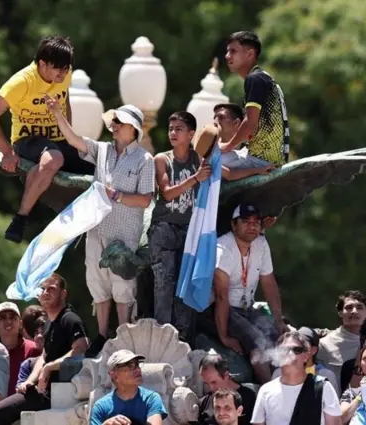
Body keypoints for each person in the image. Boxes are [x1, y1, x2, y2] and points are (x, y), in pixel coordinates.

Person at [45, 95, 155, 340]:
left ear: (132, 128)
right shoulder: (103, 149)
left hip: (125, 235)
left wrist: (115, 195)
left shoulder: (144, 160)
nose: (113, 124)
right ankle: (103, 336)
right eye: (113, 120)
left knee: (122, 286)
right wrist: (57, 114)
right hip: (96, 229)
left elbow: (146, 199)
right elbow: (73, 140)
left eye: (118, 121)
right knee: (96, 281)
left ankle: (123, 337)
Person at [0, 36, 94, 243]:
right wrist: (7, 152)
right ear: (42, 64)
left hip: (58, 140)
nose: (62, 73)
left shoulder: (65, 76)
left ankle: (88, 226)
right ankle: (21, 217)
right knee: (53, 159)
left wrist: (69, 132)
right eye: (57, 68)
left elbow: (65, 99)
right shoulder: (22, 82)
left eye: (66, 69)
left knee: (99, 161)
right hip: (28, 140)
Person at [197, 203, 288, 384]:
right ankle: (268, 390)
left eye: (256, 222)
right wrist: (224, 336)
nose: (252, 226)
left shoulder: (261, 243)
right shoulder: (223, 248)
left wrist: (278, 320)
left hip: (247, 306)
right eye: (246, 222)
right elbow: (222, 297)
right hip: (221, 308)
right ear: (234, 225)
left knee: (276, 337)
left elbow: (269, 283)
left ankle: (288, 383)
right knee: (257, 341)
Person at [0, 273, 89, 425]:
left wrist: (50, 367)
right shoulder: (50, 324)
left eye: (51, 289)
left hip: (55, 393)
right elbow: (44, 357)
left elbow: (81, 348)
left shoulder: (69, 319)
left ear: (63, 294)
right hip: (40, 390)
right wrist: (29, 381)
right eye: (42, 289)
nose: (45, 293)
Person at [149, 111, 207, 341]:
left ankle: (182, 339)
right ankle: (163, 337)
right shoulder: (162, 159)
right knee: (164, 283)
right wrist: (195, 178)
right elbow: (167, 193)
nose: (172, 133)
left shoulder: (199, 160)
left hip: (190, 231)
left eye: (179, 129)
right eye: (171, 128)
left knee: (186, 285)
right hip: (164, 228)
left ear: (191, 133)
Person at [218, 31, 290, 171]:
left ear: (249, 54)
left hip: (262, 160)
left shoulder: (254, 79)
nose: (227, 56)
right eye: (227, 52)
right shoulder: (263, 77)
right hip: (263, 155)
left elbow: (250, 123)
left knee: (208, 163)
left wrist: (228, 146)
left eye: (233, 51)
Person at [251, 331, 342, 425]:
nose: (290, 353)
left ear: (306, 356)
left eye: (297, 350)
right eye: (284, 349)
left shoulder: (324, 387)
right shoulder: (266, 390)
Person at [90, 349, 168, 425]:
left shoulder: (151, 399)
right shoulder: (101, 407)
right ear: (114, 375)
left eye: (137, 364)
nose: (138, 369)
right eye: (130, 366)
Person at [317, 290, 366, 383]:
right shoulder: (325, 344)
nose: (354, 311)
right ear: (340, 312)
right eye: (349, 308)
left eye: (359, 308)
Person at [0, 302, 42, 396]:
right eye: (2, 318)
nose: (8, 322)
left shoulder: (33, 349)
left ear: (20, 323)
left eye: (12, 317)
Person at [272, 327, 339, 395]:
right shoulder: (279, 373)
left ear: (314, 350)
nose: (292, 353)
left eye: (299, 348)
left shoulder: (326, 376)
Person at [197, 353, 257, 425]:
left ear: (226, 375)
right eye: (206, 383)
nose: (211, 388)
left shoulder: (249, 398)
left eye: (213, 382)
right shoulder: (204, 403)